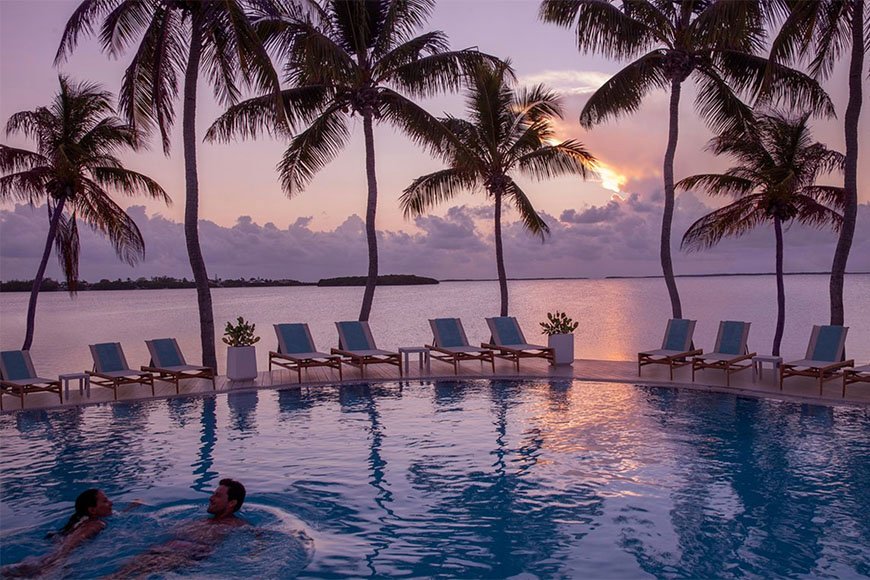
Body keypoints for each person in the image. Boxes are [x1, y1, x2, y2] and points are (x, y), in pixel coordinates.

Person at [108, 478, 247, 578]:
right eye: (213, 494)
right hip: (164, 548)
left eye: (217, 495)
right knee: (118, 574)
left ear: (232, 503)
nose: (211, 498)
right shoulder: (202, 520)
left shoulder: (236, 524)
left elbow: (260, 536)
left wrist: (255, 553)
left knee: (141, 575)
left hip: (188, 554)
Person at [2, 489, 114, 578]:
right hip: (58, 557)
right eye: (105, 501)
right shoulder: (96, 524)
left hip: (45, 556)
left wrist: (131, 507)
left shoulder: (79, 521)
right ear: (92, 510)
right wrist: (57, 563)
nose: (111, 503)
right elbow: (72, 543)